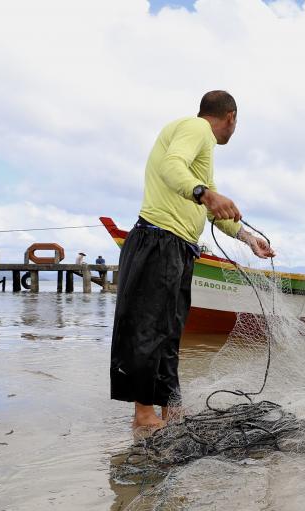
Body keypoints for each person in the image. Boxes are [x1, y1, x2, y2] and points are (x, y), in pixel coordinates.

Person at [110, 90, 275, 430]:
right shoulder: (195, 128)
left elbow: (214, 211)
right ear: (231, 118)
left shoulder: (205, 154)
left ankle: (172, 411)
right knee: (148, 329)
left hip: (178, 247)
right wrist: (204, 193)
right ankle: (143, 416)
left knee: (170, 333)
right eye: (235, 123)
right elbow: (173, 166)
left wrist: (247, 238)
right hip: (157, 238)